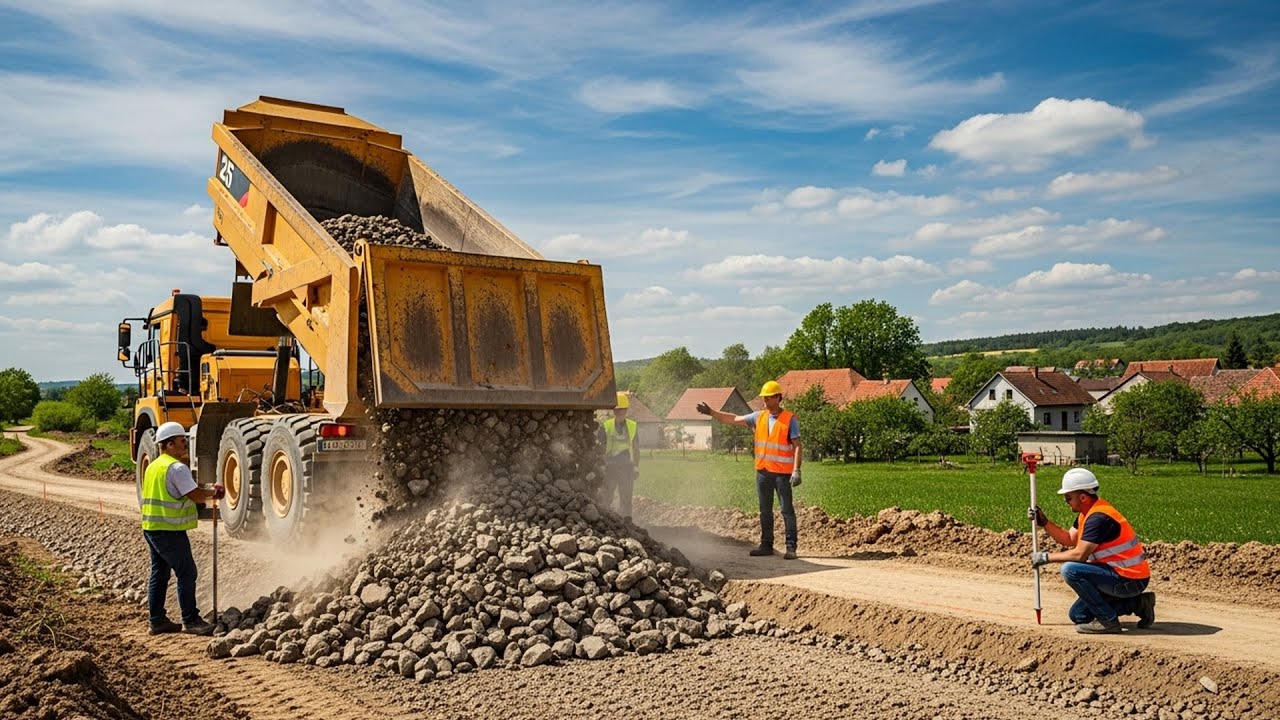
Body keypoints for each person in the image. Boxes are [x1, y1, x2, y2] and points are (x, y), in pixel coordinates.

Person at [1030, 467, 1155, 634]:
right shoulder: (1087, 513)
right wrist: (1044, 522)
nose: (1066, 501)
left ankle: (1108, 621)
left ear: (1082, 497)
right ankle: (1138, 604)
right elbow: (1068, 539)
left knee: (1070, 570)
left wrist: (1045, 557)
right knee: (1078, 615)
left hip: (1129, 579)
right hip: (1118, 576)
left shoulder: (1099, 518)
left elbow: (1079, 555)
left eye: (1068, 497)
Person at [697, 381, 802, 560]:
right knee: (765, 510)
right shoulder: (758, 417)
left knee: (786, 510)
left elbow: (798, 446)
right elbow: (734, 419)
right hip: (763, 472)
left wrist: (796, 470)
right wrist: (712, 413)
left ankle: (791, 547)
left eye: (769, 398)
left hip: (782, 474)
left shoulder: (789, 419)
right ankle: (766, 544)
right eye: (764, 398)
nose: (765, 402)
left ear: (778, 398)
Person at [141, 421, 223, 635]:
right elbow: (194, 494)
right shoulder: (176, 468)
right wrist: (214, 492)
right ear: (168, 444)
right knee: (187, 572)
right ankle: (190, 620)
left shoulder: (153, 466)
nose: (185, 444)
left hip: (152, 527)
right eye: (181, 441)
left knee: (159, 573)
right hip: (169, 530)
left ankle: (157, 621)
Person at [599, 392, 639, 518]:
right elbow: (599, 447)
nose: (620, 413)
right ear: (613, 411)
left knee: (626, 497)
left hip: (626, 466)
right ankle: (604, 519)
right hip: (609, 465)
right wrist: (600, 465)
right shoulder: (606, 426)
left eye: (622, 410)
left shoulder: (632, 426)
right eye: (617, 410)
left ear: (626, 410)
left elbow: (636, 448)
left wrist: (636, 466)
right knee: (606, 496)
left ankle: (626, 521)